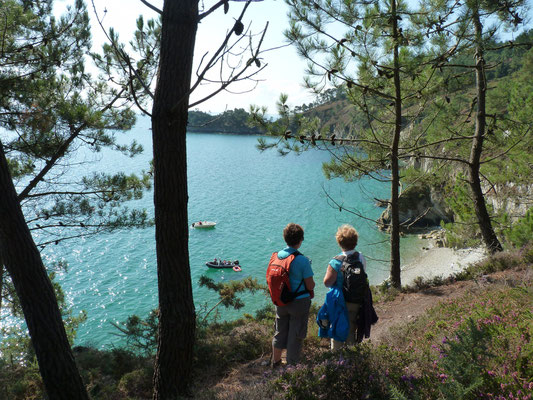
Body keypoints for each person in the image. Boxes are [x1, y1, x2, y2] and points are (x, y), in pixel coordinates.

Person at [271, 223, 315, 367]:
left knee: (280, 331)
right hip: (299, 303)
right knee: (295, 335)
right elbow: (310, 285)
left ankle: (275, 362)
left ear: (285, 239)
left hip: (281, 302)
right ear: (300, 240)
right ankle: (292, 367)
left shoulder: (276, 256)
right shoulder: (302, 260)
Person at [323, 224, 367, 350]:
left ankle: (337, 361)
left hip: (340, 302)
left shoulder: (335, 261)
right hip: (356, 300)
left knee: (337, 329)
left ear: (339, 242)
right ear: (355, 241)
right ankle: (352, 358)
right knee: (352, 329)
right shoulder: (360, 257)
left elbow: (327, 282)